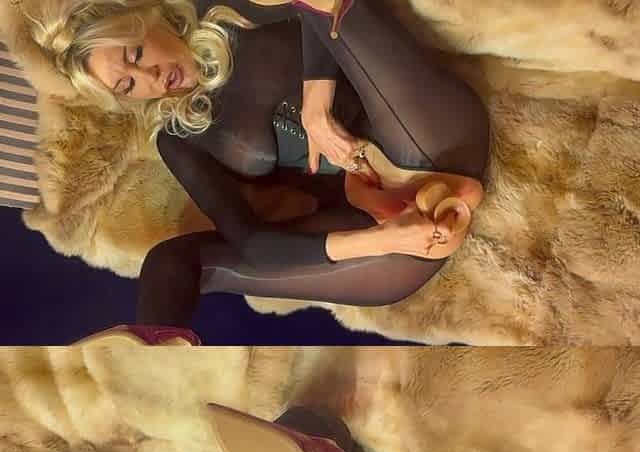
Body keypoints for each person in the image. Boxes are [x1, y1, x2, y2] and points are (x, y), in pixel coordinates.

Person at [32, 0, 489, 324]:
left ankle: (429, 197)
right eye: (127, 86)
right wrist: (381, 240)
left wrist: (316, 105)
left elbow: (316, 9)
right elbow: (250, 242)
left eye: (135, 53)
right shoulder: (177, 139)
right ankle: (158, 355)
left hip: (423, 129)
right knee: (173, 260)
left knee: (326, 5)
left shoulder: (220, 8)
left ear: (147, 18)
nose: (148, 77)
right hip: (382, 210)